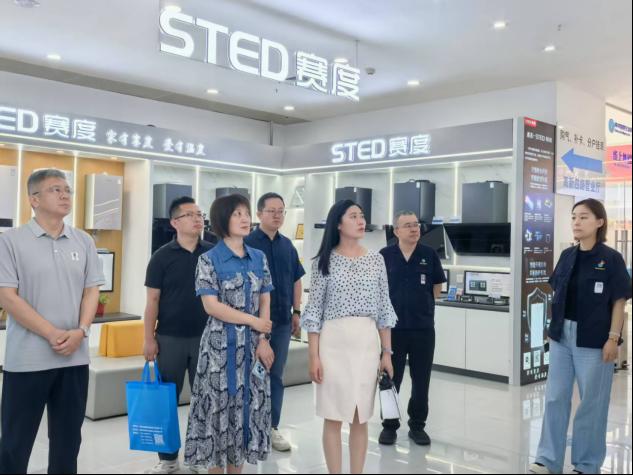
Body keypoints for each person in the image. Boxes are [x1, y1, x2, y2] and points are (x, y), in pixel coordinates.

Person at [0, 169, 104, 474]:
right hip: (27, 361)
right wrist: (52, 333)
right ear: (34, 199)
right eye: (55, 189)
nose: (64, 195)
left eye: (67, 189)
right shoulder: (10, 240)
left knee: (67, 444)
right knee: (15, 445)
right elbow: (7, 297)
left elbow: (92, 290)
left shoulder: (83, 240)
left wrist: (81, 331)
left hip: (74, 359)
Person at [530, 198, 632, 475]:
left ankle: (586, 464)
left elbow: (619, 301)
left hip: (596, 339)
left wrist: (613, 338)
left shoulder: (611, 259)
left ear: (599, 222)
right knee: (555, 397)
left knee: (592, 403)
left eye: (584, 217)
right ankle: (547, 460)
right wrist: (553, 330)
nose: (576, 222)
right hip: (562, 337)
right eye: (574, 217)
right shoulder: (567, 255)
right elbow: (557, 294)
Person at [301, 199, 397, 475]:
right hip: (333, 343)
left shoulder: (376, 260)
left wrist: (387, 353)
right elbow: (314, 312)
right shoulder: (323, 262)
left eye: (362, 215)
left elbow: (384, 309)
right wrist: (313, 356)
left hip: (366, 343)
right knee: (333, 415)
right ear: (338, 224)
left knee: (360, 415)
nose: (360, 221)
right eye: (353, 216)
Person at [184, 194, 274, 474]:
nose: (245, 219)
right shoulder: (208, 259)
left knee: (245, 413)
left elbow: (265, 298)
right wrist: (253, 322)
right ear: (223, 220)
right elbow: (211, 306)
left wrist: (263, 339)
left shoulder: (258, 257)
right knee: (217, 414)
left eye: (246, 213)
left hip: (253, 347)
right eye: (237, 214)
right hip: (219, 350)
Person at [143, 197, 214, 474]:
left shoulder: (213, 253)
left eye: (199, 214)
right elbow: (152, 301)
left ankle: (199, 456)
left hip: (206, 338)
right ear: (174, 222)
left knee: (205, 401)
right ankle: (168, 459)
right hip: (169, 339)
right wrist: (149, 338)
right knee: (166, 401)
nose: (198, 219)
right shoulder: (161, 257)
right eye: (190, 215)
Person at [378, 211, 446, 447]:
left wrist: (422, 306)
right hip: (392, 330)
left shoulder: (429, 254)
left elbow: (437, 287)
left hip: (422, 329)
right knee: (390, 379)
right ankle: (389, 425)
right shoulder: (384, 256)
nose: (414, 228)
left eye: (416, 224)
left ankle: (417, 426)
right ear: (396, 231)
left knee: (421, 379)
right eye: (407, 225)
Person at [245, 192, 305, 452]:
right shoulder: (246, 243)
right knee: (250, 376)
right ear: (259, 214)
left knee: (275, 376)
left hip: (281, 323)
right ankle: (247, 428)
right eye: (272, 211)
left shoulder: (288, 246)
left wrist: (297, 311)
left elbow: (296, 280)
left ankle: (271, 427)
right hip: (252, 324)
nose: (277, 215)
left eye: (281, 211)